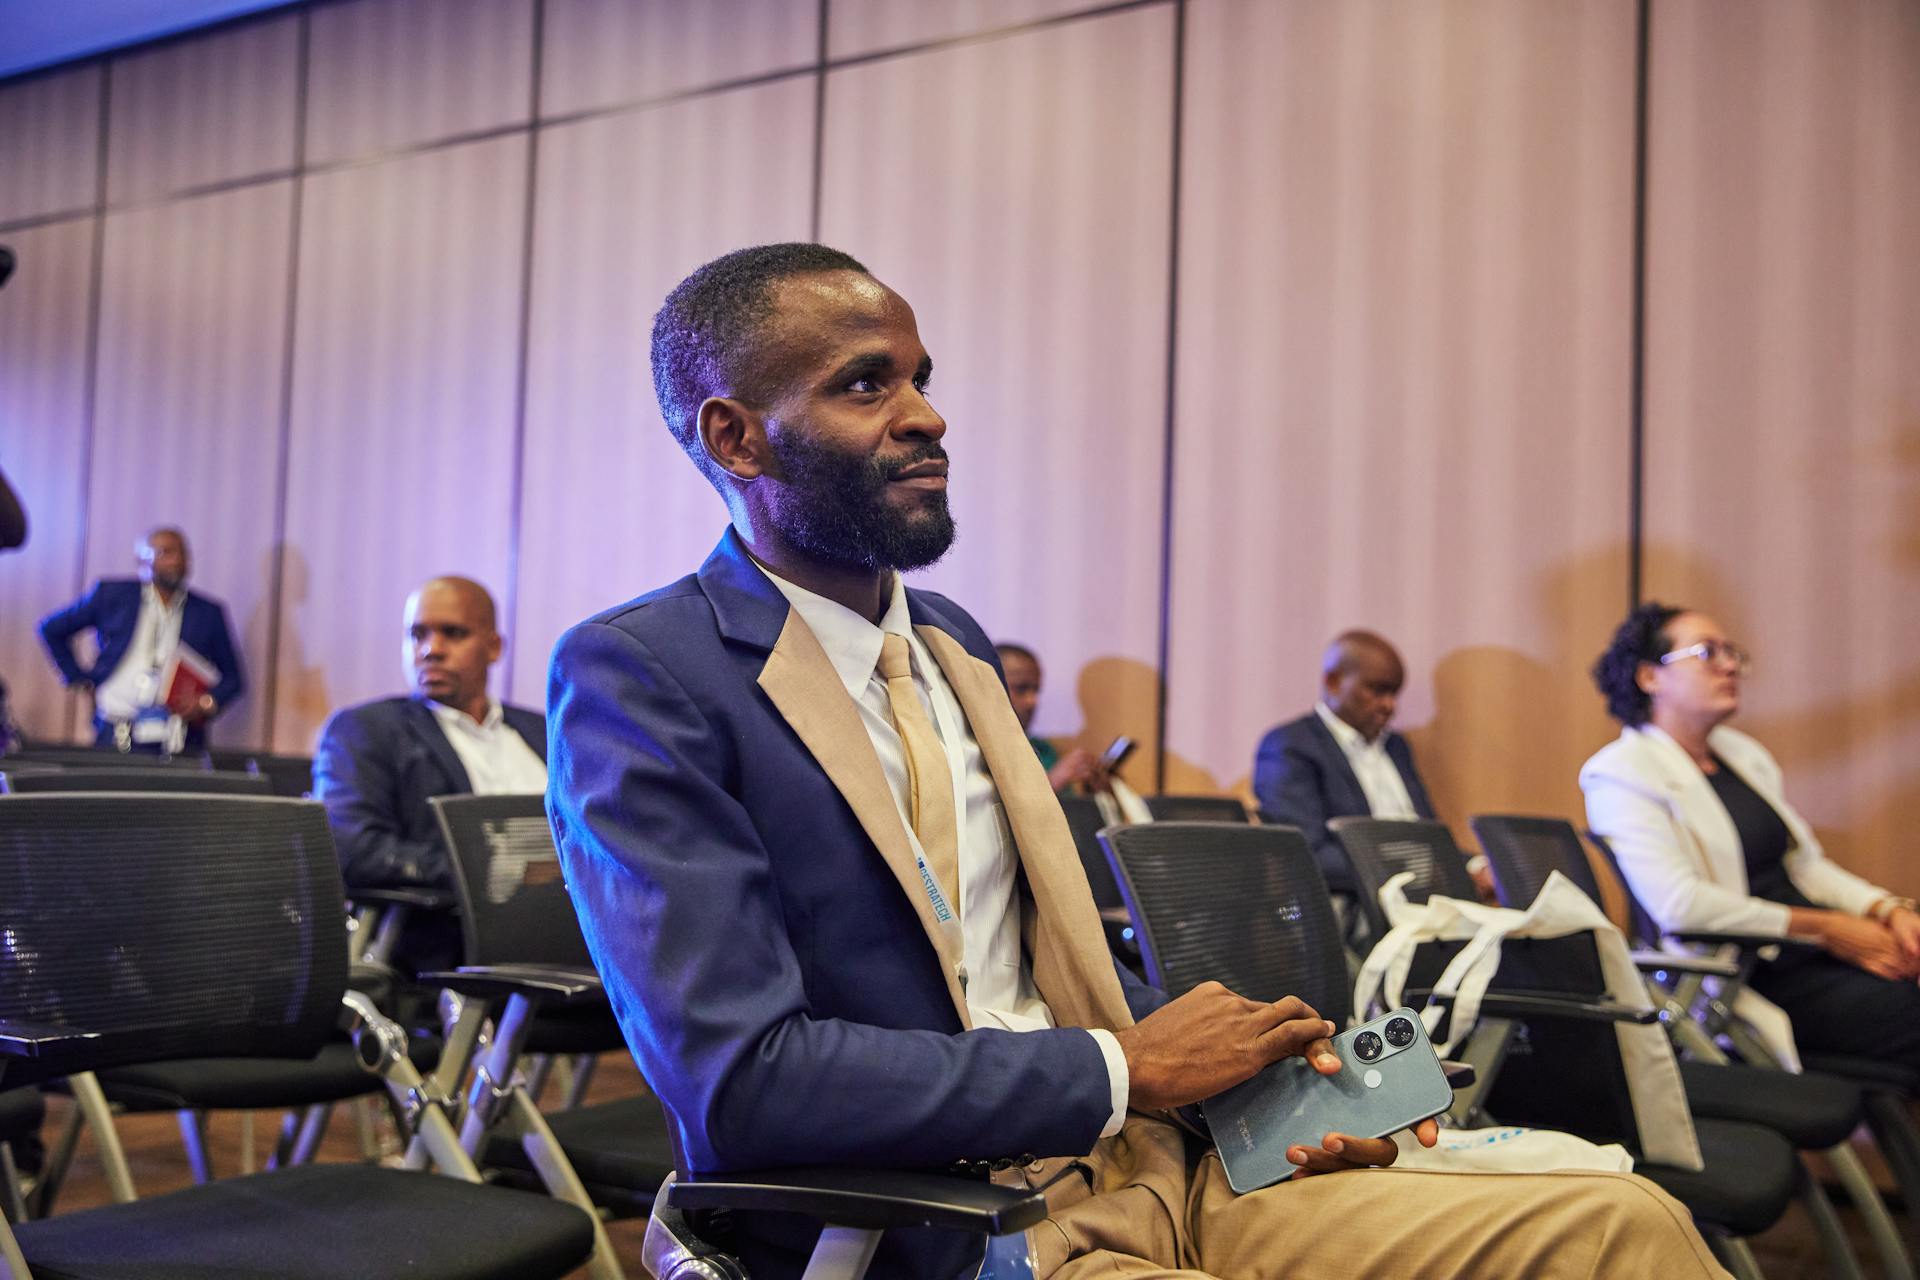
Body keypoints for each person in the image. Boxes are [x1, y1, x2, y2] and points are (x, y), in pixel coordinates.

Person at [546, 243, 1725, 1280]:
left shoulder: (949, 640)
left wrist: (1263, 1083)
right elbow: (744, 1080)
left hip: (1153, 1168)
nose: (926, 414)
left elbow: (1027, 972)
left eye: (921, 378)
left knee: (1619, 1222)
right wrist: (1122, 1064)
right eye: (866, 383)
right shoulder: (644, 675)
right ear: (735, 434)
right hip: (940, 1227)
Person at [1583, 602, 1920, 1070]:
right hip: (1748, 975)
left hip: (1812, 954)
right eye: (1707, 653)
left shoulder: (1741, 754)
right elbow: (1679, 905)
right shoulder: (1620, 772)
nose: (1729, 665)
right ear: (1649, 677)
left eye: (1732, 653)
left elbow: (1804, 865)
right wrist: (1827, 929)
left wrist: (1886, 909)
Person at [313, 576, 546, 966]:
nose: (431, 650)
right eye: (417, 634)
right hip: (458, 942)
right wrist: (500, 872)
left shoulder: (544, 731)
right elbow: (354, 852)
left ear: (493, 647)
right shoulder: (368, 731)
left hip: (580, 931)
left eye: (453, 634)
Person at [1253, 631, 1491, 899]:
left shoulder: (1396, 747)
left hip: (1420, 897)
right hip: (1355, 904)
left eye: (1394, 694)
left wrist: (1475, 866)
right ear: (1333, 681)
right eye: (1378, 691)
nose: (1390, 706)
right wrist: (1413, 869)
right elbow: (1305, 854)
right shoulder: (1291, 745)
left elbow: (1426, 836)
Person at [37, 527, 243, 751]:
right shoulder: (112, 595)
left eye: (182, 553)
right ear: (143, 559)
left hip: (176, 735)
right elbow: (51, 629)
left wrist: (206, 702)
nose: (176, 560)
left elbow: (234, 678)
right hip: (116, 728)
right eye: (166, 552)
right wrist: (79, 679)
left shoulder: (207, 612)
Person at [996, 641, 1107, 793]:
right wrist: (1053, 781)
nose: (1032, 701)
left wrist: (1098, 790)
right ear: (992, 686)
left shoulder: (1044, 750)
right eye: (1021, 689)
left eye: (1036, 690)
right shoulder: (977, 751)